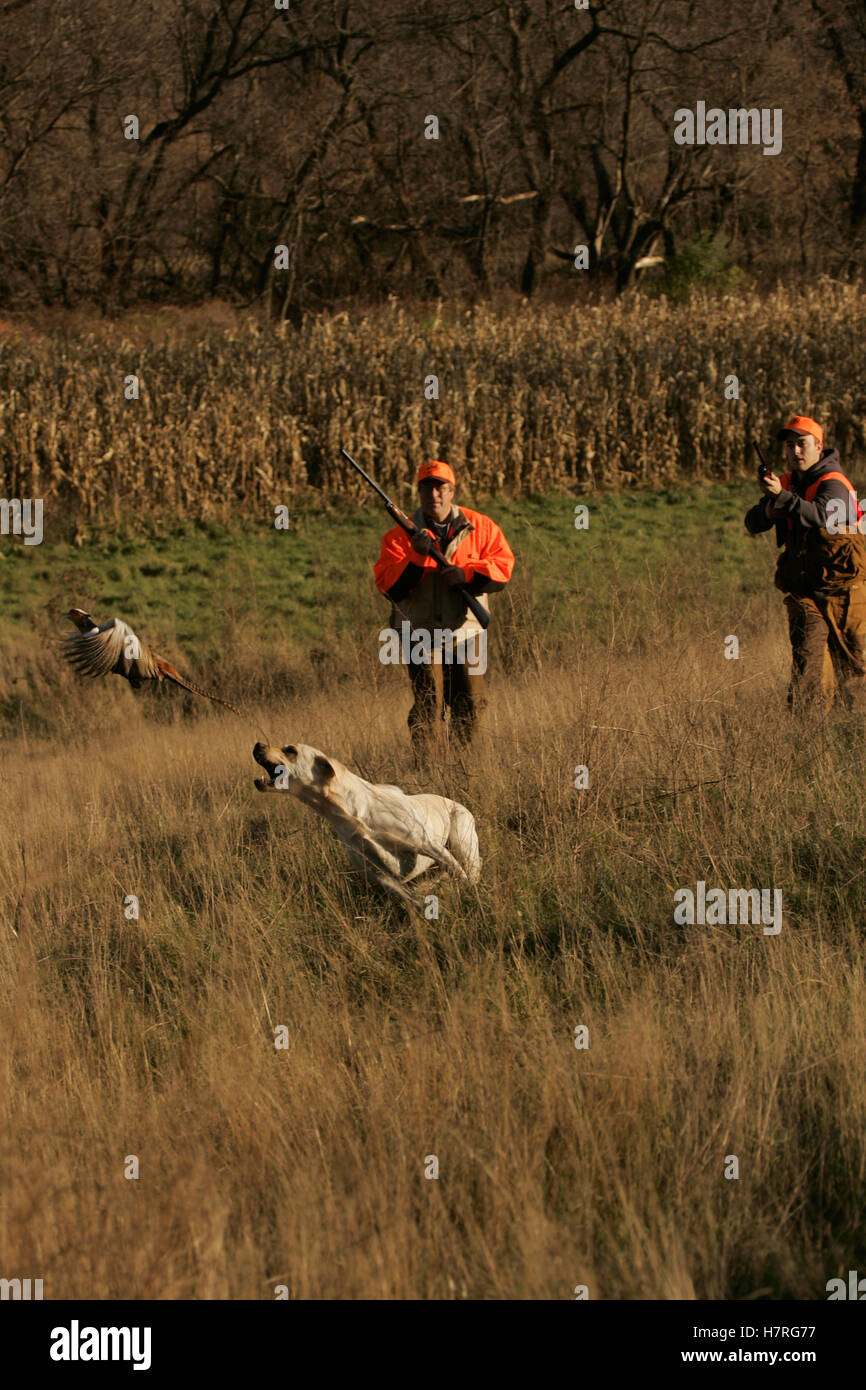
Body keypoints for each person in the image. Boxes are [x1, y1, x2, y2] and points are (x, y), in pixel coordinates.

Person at [374, 461, 515, 752]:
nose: (433, 494)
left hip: (467, 631)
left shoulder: (482, 527)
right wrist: (415, 557)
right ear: (419, 492)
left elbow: (503, 568)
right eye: (426, 488)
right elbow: (389, 588)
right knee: (429, 704)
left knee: (472, 705)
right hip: (419, 631)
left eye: (440, 487)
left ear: (452, 492)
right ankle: (430, 775)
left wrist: (467, 574)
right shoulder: (399, 537)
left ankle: (462, 770)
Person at [744, 414, 866, 709]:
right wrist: (769, 511)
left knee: (855, 673)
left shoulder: (834, 483)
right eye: (789, 446)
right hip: (806, 594)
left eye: (801, 444)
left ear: (818, 446)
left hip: (846, 595)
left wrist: (782, 499)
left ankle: (853, 733)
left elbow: (822, 516)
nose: (795, 451)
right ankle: (806, 737)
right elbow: (752, 522)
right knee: (807, 673)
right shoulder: (787, 484)